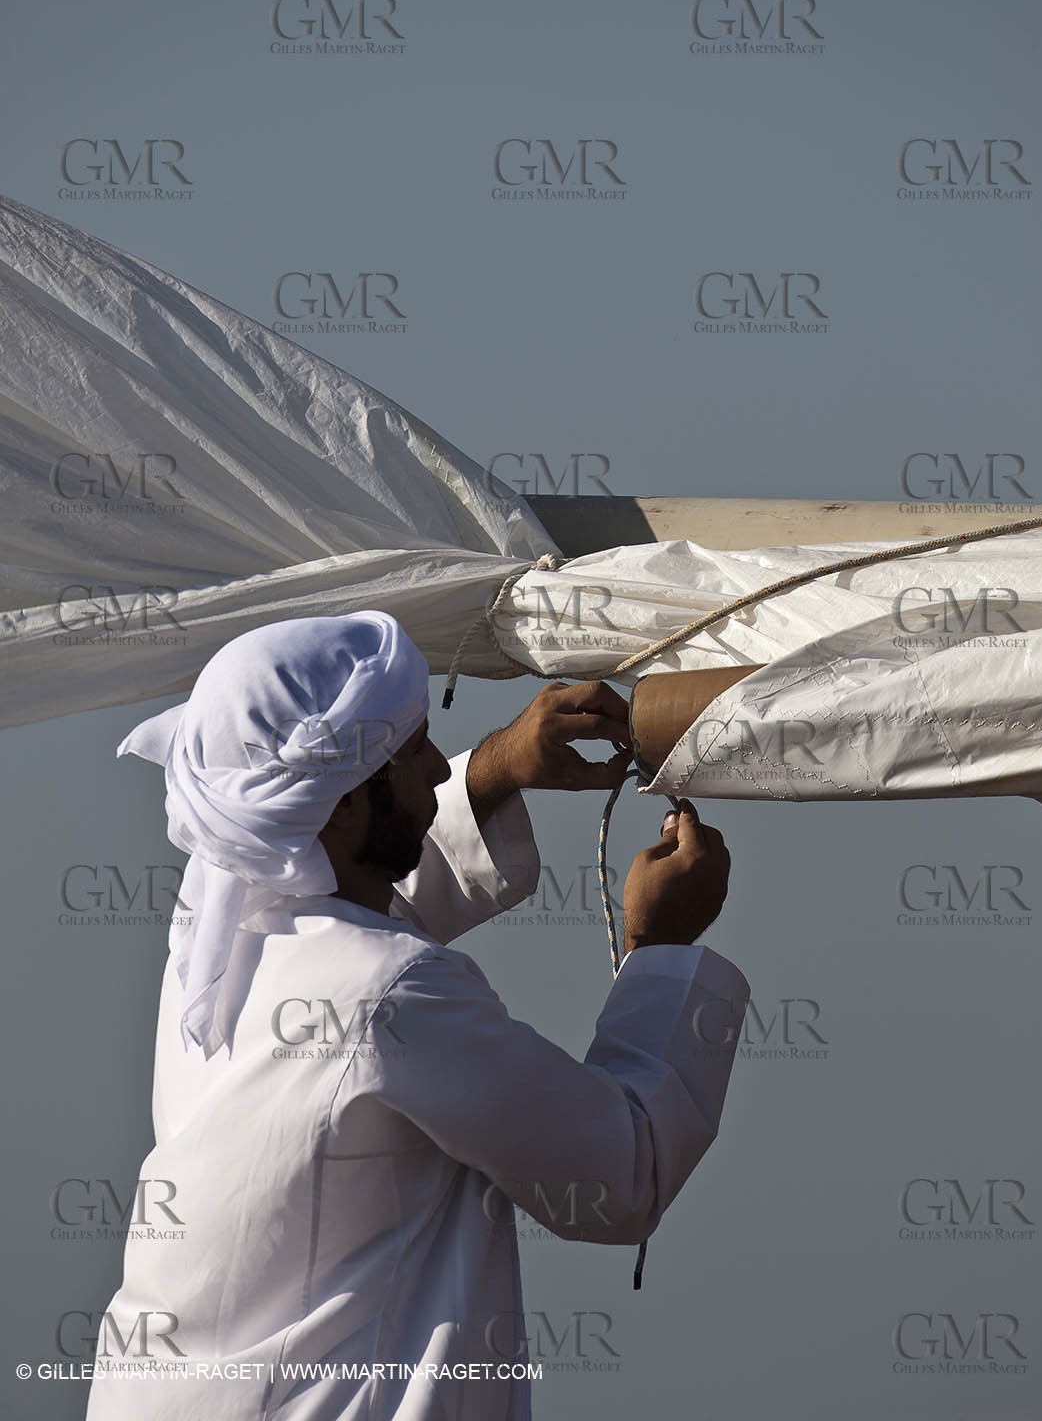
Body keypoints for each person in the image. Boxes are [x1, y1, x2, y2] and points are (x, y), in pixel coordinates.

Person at [85, 609, 750, 1421]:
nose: (439, 769)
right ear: (334, 805)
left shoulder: (212, 935)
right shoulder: (390, 993)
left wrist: (502, 765)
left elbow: (352, 912)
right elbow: (620, 1178)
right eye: (411, 752)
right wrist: (661, 944)